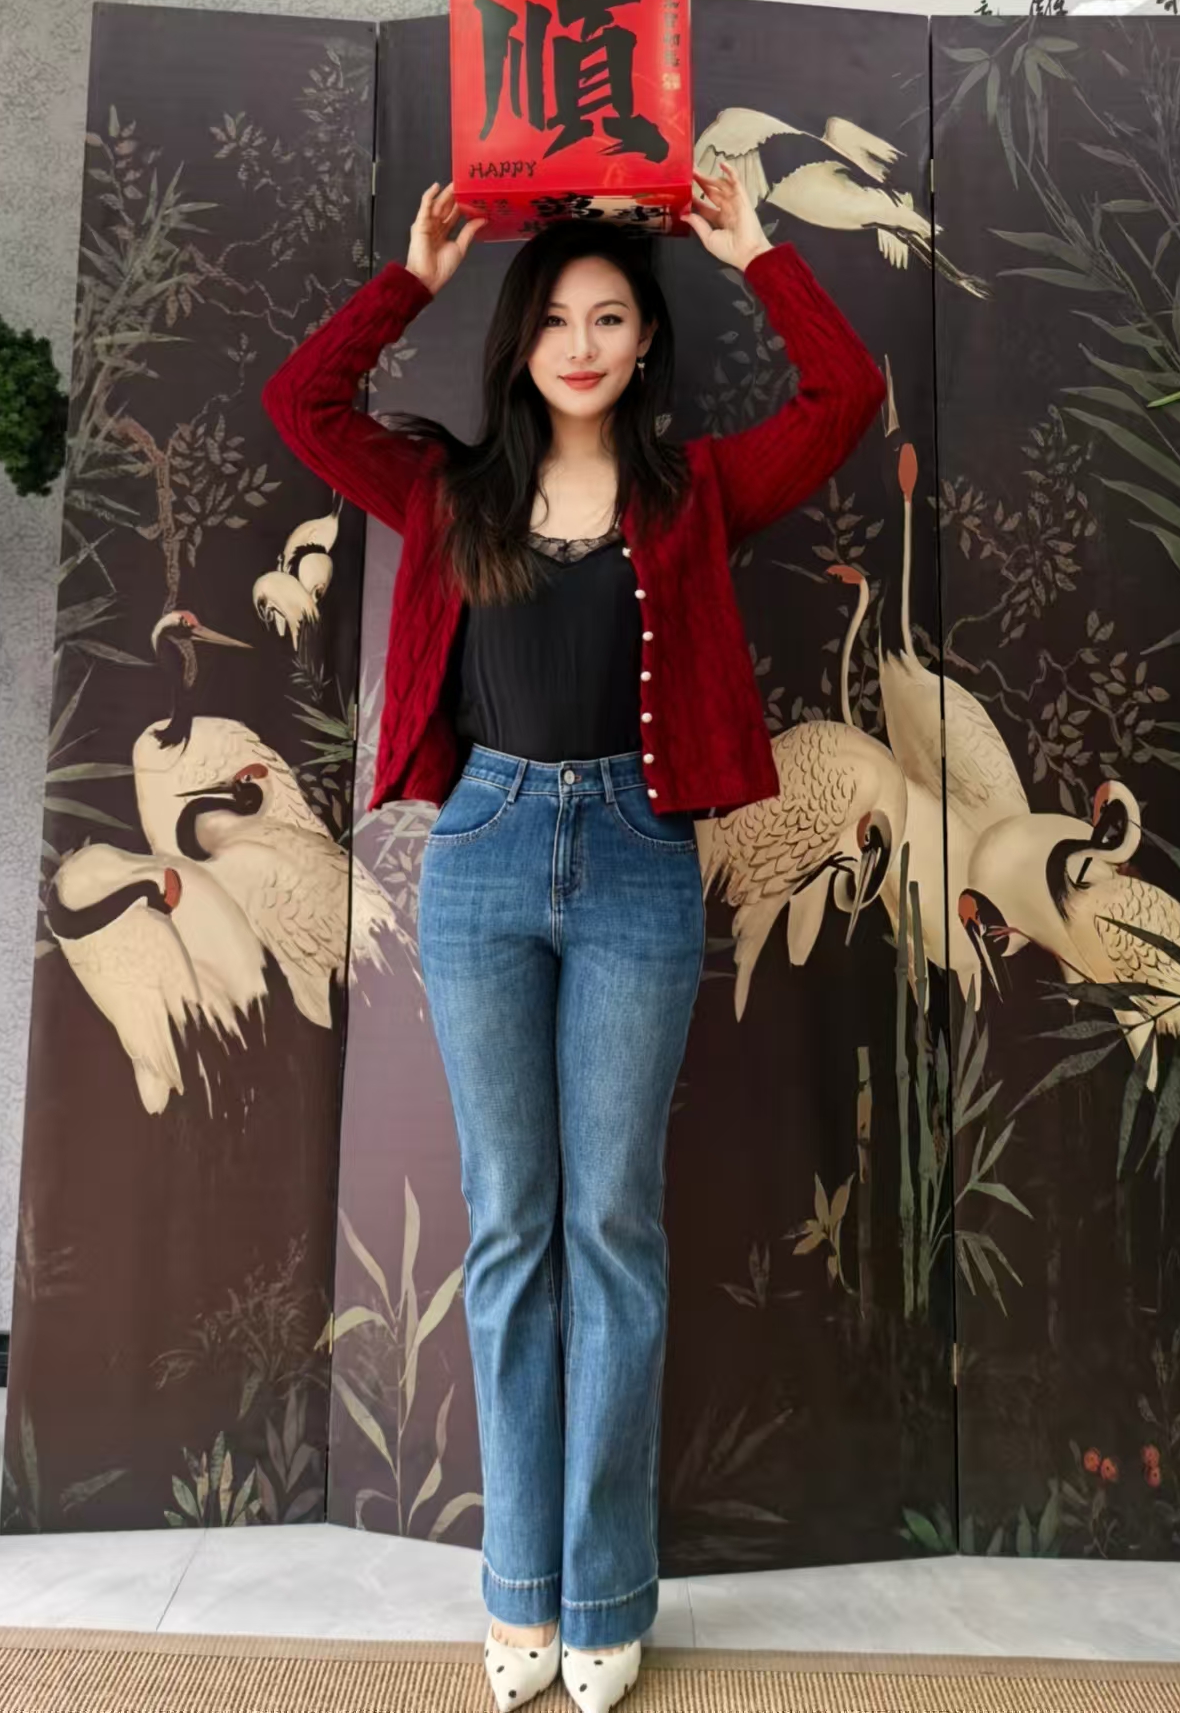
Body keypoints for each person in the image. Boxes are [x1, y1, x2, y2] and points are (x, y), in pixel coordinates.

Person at [261, 167, 884, 1713]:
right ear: (520, 343)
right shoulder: (449, 489)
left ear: (646, 339)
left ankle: (603, 1594)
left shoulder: (696, 492)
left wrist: (756, 249)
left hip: (637, 860)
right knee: (510, 1229)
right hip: (482, 852)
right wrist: (412, 278)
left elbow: (846, 396)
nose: (583, 343)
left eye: (610, 317)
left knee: (612, 1227)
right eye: (554, 320)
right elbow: (301, 403)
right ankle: (516, 1591)